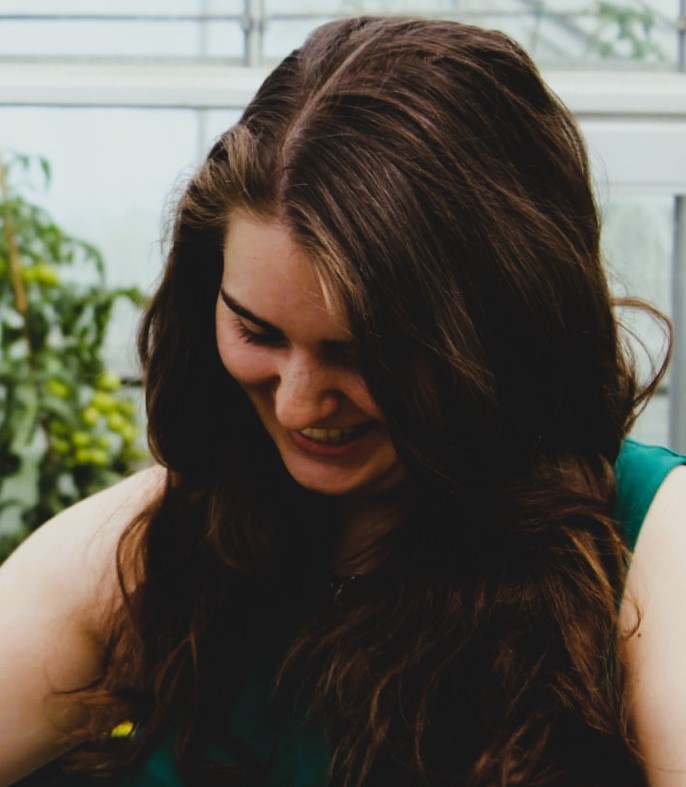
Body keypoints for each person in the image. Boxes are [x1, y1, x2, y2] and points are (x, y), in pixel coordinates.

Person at [1, 15, 685, 787]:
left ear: (500, 325)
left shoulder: (648, 538)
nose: (297, 405)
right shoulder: (168, 537)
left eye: (363, 354)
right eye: (256, 331)